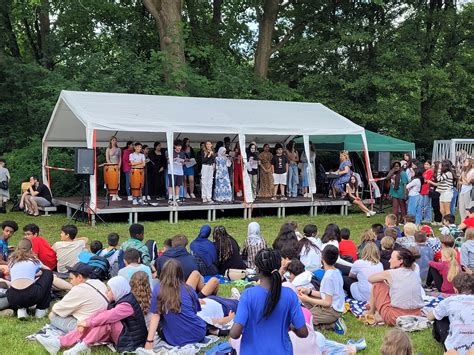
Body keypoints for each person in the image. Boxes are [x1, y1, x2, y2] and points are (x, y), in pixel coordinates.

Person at [37, 276, 147, 354]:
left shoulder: (127, 305)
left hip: (131, 340)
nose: (106, 292)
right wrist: (85, 322)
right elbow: (101, 313)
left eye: (109, 290)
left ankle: (80, 347)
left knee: (105, 324)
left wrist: (88, 322)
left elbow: (108, 316)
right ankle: (59, 342)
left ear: (117, 290)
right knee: (96, 323)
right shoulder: (120, 298)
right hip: (123, 333)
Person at [230, 248, 308, 354]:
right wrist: (290, 327)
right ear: (278, 267)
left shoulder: (248, 295)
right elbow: (303, 332)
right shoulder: (290, 295)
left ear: (257, 270)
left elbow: (234, 334)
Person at [145, 259, 207, 348]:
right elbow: (194, 312)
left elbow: (155, 315)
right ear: (181, 273)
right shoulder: (189, 289)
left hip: (175, 340)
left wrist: (149, 341)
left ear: (163, 273)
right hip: (198, 334)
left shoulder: (158, 289)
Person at [365, 248, 424, 326]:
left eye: (392, 258)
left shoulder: (390, 273)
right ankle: (378, 314)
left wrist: (385, 281)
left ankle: (370, 313)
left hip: (395, 317)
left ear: (401, 261)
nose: (389, 260)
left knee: (377, 284)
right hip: (416, 315)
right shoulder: (414, 274)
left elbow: (370, 279)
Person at [297, 245, 346, 333]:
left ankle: (331, 324)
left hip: (331, 311)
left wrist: (307, 298)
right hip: (335, 308)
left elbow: (327, 302)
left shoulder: (328, 277)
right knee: (304, 300)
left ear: (322, 258)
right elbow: (326, 294)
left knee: (303, 318)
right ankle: (326, 321)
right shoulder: (337, 272)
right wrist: (309, 291)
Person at [48, 262, 108, 333]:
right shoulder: (99, 283)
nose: (70, 282)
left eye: (71, 279)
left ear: (79, 277)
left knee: (52, 315)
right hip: (103, 323)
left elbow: (57, 309)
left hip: (87, 328)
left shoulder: (79, 289)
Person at [427, 272, 474, 354]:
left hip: (454, 348)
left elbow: (430, 317)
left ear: (455, 290)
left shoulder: (449, 301)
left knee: (440, 317)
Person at [6, 238, 53, 319]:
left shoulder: (11, 261)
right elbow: (48, 270)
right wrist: (38, 274)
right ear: (31, 249)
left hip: (12, 297)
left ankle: (22, 310)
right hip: (30, 295)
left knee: (19, 287)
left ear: (17, 248)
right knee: (48, 274)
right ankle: (41, 309)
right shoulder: (34, 260)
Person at [167, 139, 186, 205]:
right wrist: (174, 159)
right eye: (178, 146)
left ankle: (177, 197)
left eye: (180, 146)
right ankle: (170, 198)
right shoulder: (171, 152)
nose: (179, 147)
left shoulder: (182, 152)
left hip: (180, 171)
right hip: (172, 171)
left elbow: (184, 162)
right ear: (174, 146)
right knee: (171, 184)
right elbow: (168, 161)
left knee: (178, 185)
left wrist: (182, 162)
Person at [105, 136, 122, 201]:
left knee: (118, 181)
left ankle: (117, 194)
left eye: (115, 140)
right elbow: (107, 159)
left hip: (117, 166)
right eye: (113, 140)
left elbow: (120, 158)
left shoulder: (119, 149)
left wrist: (119, 166)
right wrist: (112, 165)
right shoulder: (108, 149)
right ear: (110, 141)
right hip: (111, 167)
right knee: (112, 181)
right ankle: (112, 194)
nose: (114, 141)